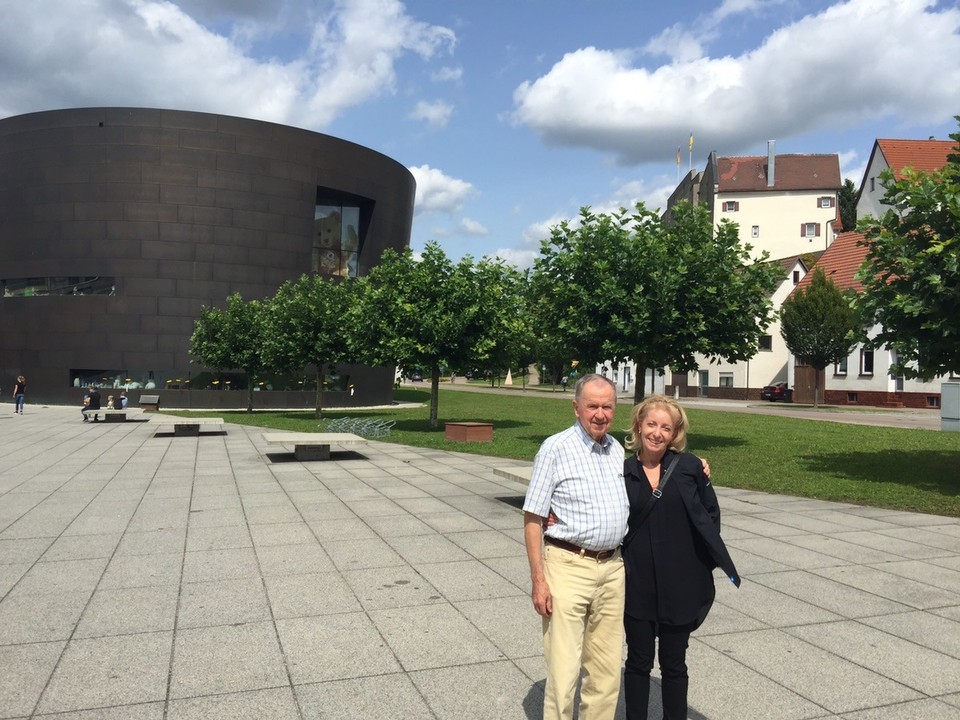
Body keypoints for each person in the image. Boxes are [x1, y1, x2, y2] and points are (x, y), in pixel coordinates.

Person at [621, 395, 740, 720]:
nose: (657, 433)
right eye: (651, 424)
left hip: (680, 583)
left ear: (675, 434)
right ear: (639, 425)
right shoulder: (623, 469)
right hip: (638, 583)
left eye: (665, 427)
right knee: (638, 661)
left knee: (674, 663)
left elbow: (710, 515)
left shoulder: (689, 467)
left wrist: (698, 561)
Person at [523, 374, 627, 720]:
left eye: (607, 406)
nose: (600, 413)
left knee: (606, 670)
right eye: (592, 405)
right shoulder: (555, 448)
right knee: (564, 671)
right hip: (568, 565)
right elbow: (534, 517)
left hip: (612, 568)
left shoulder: (617, 450)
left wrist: (696, 465)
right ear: (576, 407)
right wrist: (539, 580)